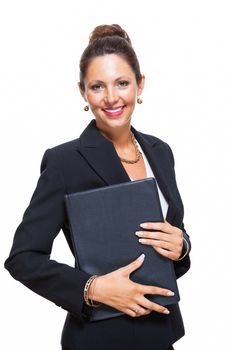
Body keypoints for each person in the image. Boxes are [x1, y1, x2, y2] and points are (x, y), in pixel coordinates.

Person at [4, 24, 191, 350]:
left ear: (140, 84)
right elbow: (23, 258)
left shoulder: (160, 152)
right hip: (100, 338)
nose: (111, 98)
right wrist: (90, 288)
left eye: (122, 83)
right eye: (97, 86)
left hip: (161, 332)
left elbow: (172, 239)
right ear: (83, 93)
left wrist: (182, 246)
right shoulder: (64, 162)